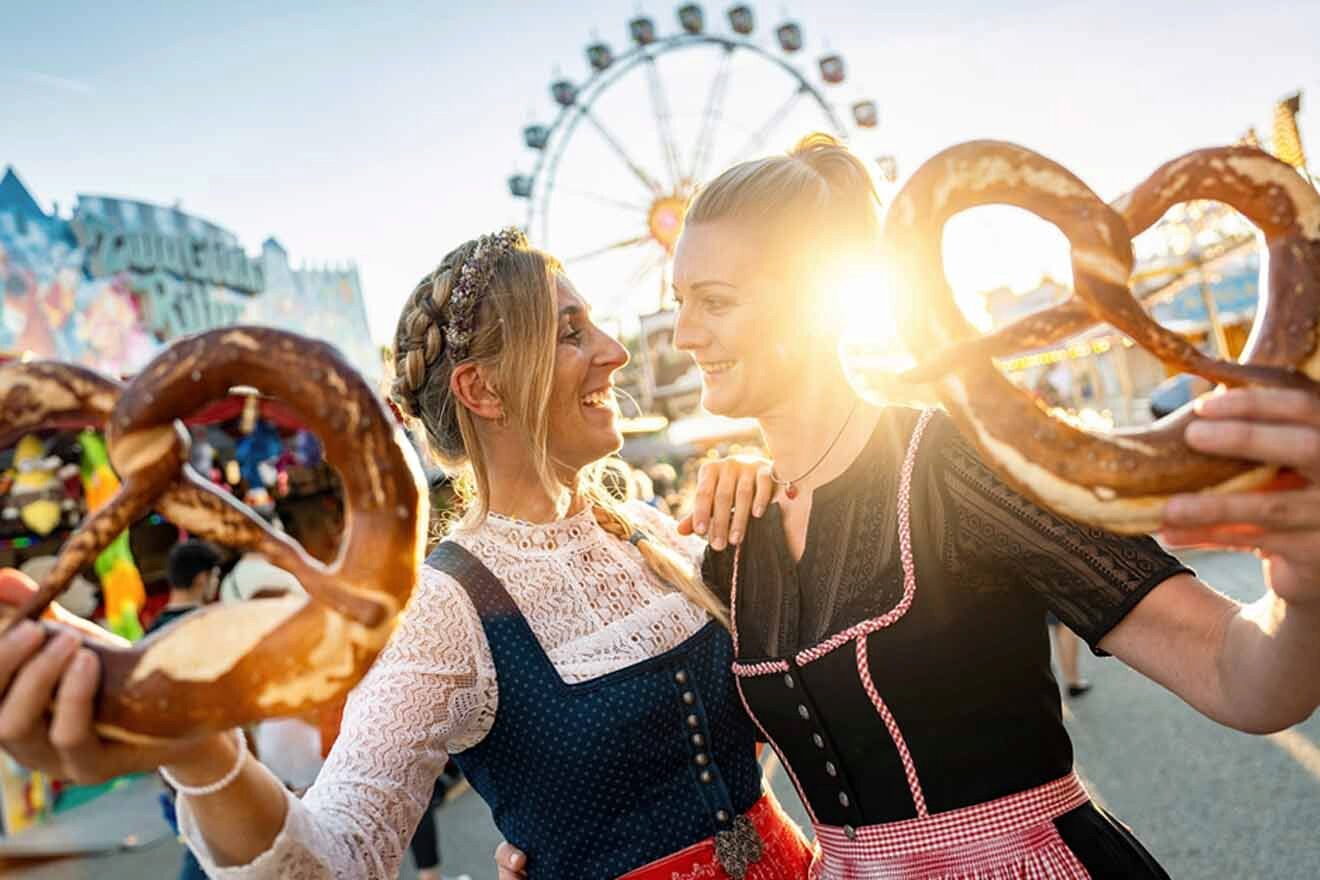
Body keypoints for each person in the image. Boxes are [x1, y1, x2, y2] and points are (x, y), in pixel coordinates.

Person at [0, 229, 807, 880]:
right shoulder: (445, 609)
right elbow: (338, 858)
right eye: (570, 333)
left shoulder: (654, 535)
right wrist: (199, 750)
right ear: (482, 390)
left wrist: (778, 472)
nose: (615, 351)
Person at [661, 133, 1320, 878]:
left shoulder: (959, 464)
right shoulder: (733, 535)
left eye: (714, 302)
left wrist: (1303, 592)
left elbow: (1243, 677)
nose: (686, 335)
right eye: (680, 302)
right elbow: (708, 772)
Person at [150, 540, 222, 880]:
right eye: (215, 577)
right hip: (213, 760)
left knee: (204, 850)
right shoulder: (207, 627)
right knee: (213, 856)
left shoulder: (151, 634)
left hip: (170, 766)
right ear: (203, 578)